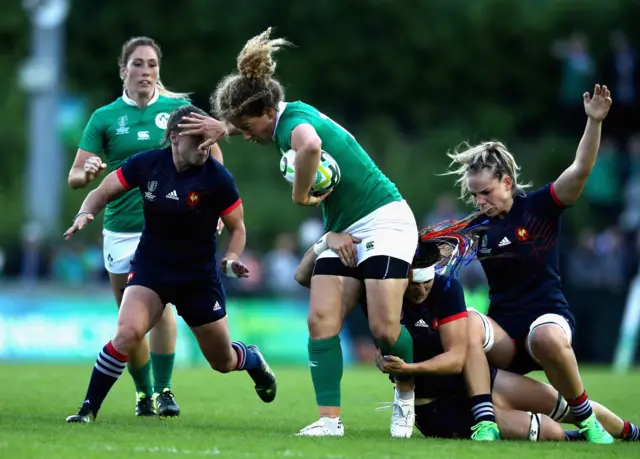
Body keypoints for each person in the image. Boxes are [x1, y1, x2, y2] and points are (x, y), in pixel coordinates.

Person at [180, 28, 418, 437]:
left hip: (384, 219)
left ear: (267, 111)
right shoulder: (278, 119)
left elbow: (307, 146)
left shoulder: (295, 123)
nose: (246, 134)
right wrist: (225, 128)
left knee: (384, 330)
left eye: (245, 125)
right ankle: (330, 421)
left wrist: (301, 195)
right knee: (319, 319)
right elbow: (268, 130)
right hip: (343, 230)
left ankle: (406, 394)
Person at [296, 227, 640, 441]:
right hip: (438, 408)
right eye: (414, 284)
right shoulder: (381, 292)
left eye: (427, 282)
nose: (421, 291)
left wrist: (408, 370)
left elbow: (458, 357)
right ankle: (572, 442)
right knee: (548, 431)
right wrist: (325, 240)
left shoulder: (446, 288)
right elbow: (302, 276)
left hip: (479, 381)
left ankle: (630, 432)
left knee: (565, 405)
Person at [64, 105, 276, 423]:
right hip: (152, 269)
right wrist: (85, 212)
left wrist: (231, 259)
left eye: (209, 138)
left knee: (222, 361)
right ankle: (87, 410)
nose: (205, 146)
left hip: (197, 277)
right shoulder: (147, 164)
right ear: (175, 137)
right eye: (198, 139)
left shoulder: (218, 178)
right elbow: (103, 191)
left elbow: (238, 229)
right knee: (127, 333)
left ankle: (251, 358)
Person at [442, 84, 615, 443]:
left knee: (547, 337)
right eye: (474, 194)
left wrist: (594, 122)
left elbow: (581, 169)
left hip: (548, 322)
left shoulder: (540, 207)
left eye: (486, 192)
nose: (479, 201)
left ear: (507, 182)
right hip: (507, 337)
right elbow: (430, 253)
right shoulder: (474, 227)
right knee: (469, 321)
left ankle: (586, 419)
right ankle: (485, 420)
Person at [67, 37, 219, 417]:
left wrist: (216, 209)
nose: (146, 71)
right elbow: (74, 176)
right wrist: (85, 174)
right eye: (137, 64)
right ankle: (143, 394)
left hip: (170, 229)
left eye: (152, 64)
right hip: (120, 228)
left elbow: (214, 158)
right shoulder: (104, 118)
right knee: (130, 321)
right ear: (124, 70)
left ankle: (164, 390)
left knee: (163, 309)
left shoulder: (178, 111)